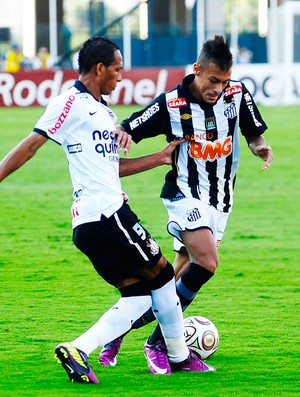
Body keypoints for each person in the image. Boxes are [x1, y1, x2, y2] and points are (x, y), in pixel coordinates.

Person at [0, 36, 216, 384]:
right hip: (106, 213)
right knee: (162, 277)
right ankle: (177, 356)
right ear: (99, 68)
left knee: (138, 293)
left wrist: (159, 158)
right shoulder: (69, 102)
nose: (121, 76)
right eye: (117, 69)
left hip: (92, 221)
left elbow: (110, 167)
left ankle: (79, 349)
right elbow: (30, 145)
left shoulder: (103, 112)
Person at [98, 35, 273, 366]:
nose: (218, 89)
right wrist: (122, 132)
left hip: (220, 201)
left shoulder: (237, 94)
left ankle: (116, 332)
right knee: (207, 262)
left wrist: (259, 147)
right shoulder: (173, 104)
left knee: (170, 285)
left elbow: (254, 134)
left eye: (223, 81)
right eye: (212, 81)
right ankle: (158, 344)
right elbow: (131, 124)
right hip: (184, 193)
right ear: (197, 70)